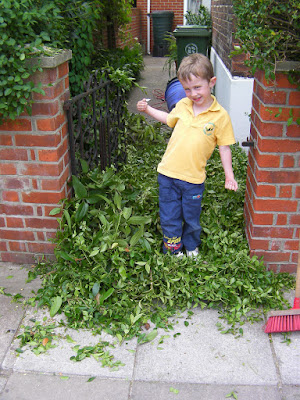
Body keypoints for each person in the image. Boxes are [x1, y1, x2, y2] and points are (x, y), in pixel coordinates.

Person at [136, 53, 238, 257]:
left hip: (193, 179)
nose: (193, 93)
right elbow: (168, 119)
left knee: (191, 216)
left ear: (212, 82)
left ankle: (191, 246)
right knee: (169, 215)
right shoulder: (183, 105)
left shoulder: (221, 116)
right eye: (187, 89)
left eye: (198, 87)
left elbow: (224, 148)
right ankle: (173, 249)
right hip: (168, 174)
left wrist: (230, 175)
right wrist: (147, 109)